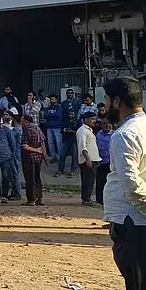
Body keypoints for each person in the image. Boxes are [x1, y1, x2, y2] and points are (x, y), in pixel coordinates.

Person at [102, 76, 146, 290]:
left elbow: (132, 186)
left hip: (133, 222)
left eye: (107, 101)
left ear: (117, 102)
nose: (106, 106)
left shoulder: (125, 135)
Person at [21, 115, 47, 206]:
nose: (21, 123)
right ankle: (39, 198)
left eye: (22, 121)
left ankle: (31, 199)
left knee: (30, 179)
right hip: (38, 158)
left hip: (29, 158)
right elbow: (43, 143)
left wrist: (35, 150)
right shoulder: (38, 129)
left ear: (26, 121)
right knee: (37, 178)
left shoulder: (27, 131)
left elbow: (25, 146)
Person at [0, 111, 18, 203]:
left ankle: (4, 195)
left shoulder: (6, 130)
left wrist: (12, 155)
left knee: (6, 177)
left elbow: (12, 144)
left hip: (5, 157)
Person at [77, 111, 100, 207]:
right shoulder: (82, 130)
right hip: (88, 159)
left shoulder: (89, 130)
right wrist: (88, 159)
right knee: (88, 180)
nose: (94, 121)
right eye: (92, 119)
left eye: (94, 119)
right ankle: (86, 199)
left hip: (94, 159)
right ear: (86, 119)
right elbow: (82, 146)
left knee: (90, 180)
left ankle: (87, 198)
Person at [57, 109, 80, 178]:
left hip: (74, 141)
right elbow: (61, 130)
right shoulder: (65, 121)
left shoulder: (78, 122)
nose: (71, 115)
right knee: (62, 156)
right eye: (70, 114)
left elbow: (79, 132)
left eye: (72, 114)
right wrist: (64, 130)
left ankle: (73, 171)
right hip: (65, 141)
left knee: (74, 156)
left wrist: (72, 131)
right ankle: (60, 171)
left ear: (75, 114)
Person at [95, 120, 113, 205]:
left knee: (109, 183)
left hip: (110, 162)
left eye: (109, 123)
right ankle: (99, 200)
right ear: (102, 125)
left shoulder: (115, 134)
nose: (107, 125)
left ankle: (109, 201)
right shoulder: (99, 134)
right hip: (100, 161)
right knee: (99, 181)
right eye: (105, 124)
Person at [45, 94, 63, 164]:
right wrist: (52, 116)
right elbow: (46, 115)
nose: (51, 101)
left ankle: (60, 158)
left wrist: (50, 116)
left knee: (59, 143)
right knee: (50, 143)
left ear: (56, 100)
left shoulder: (59, 107)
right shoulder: (48, 108)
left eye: (53, 99)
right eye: (50, 99)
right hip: (49, 127)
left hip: (57, 127)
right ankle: (53, 157)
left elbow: (58, 115)